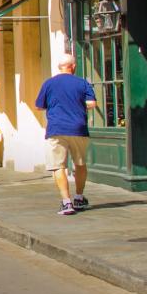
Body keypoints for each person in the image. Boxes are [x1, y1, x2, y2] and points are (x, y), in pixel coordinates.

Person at [36, 53, 97, 215]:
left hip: (56, 129)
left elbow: (39, 106)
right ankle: (79, 197)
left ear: (59, 67)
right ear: (73, 66)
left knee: (58, 166)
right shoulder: (82, 83)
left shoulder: (49, 83)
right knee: (80, 163)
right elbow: (91, 103)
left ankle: (66, 202)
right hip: (78, 128)